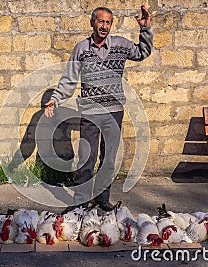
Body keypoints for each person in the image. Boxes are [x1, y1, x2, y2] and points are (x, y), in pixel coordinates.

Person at [44, 5, 153, 212]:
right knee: (87, 157)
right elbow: (69, 79)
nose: (104, 26)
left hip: (113, 112)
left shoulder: (121, 45)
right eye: (101, 21)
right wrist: (55, 99)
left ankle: (103, 200)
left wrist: (146, 29)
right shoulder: (82, 48)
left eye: (108, 22)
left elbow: (142, 52)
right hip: (90, 112)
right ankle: (81, 201)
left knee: (108, 159)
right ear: (92, 23)